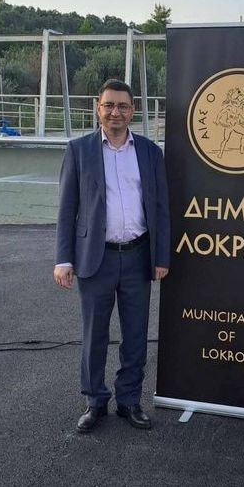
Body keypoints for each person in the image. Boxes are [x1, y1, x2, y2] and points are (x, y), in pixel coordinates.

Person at [54, 79, 170, 433]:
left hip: (138, 256)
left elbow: (161, 207)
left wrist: (161, 256)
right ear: (97, 108)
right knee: (95, 335)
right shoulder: (79, 151)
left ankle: (129, 401)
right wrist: (63, 259)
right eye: (109, 105)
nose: (115, 112)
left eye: (122, 106)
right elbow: (67, 208)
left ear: (132, 111)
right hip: (95, 259)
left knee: (135, 335)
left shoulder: (149, 152)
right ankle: (95, 402)